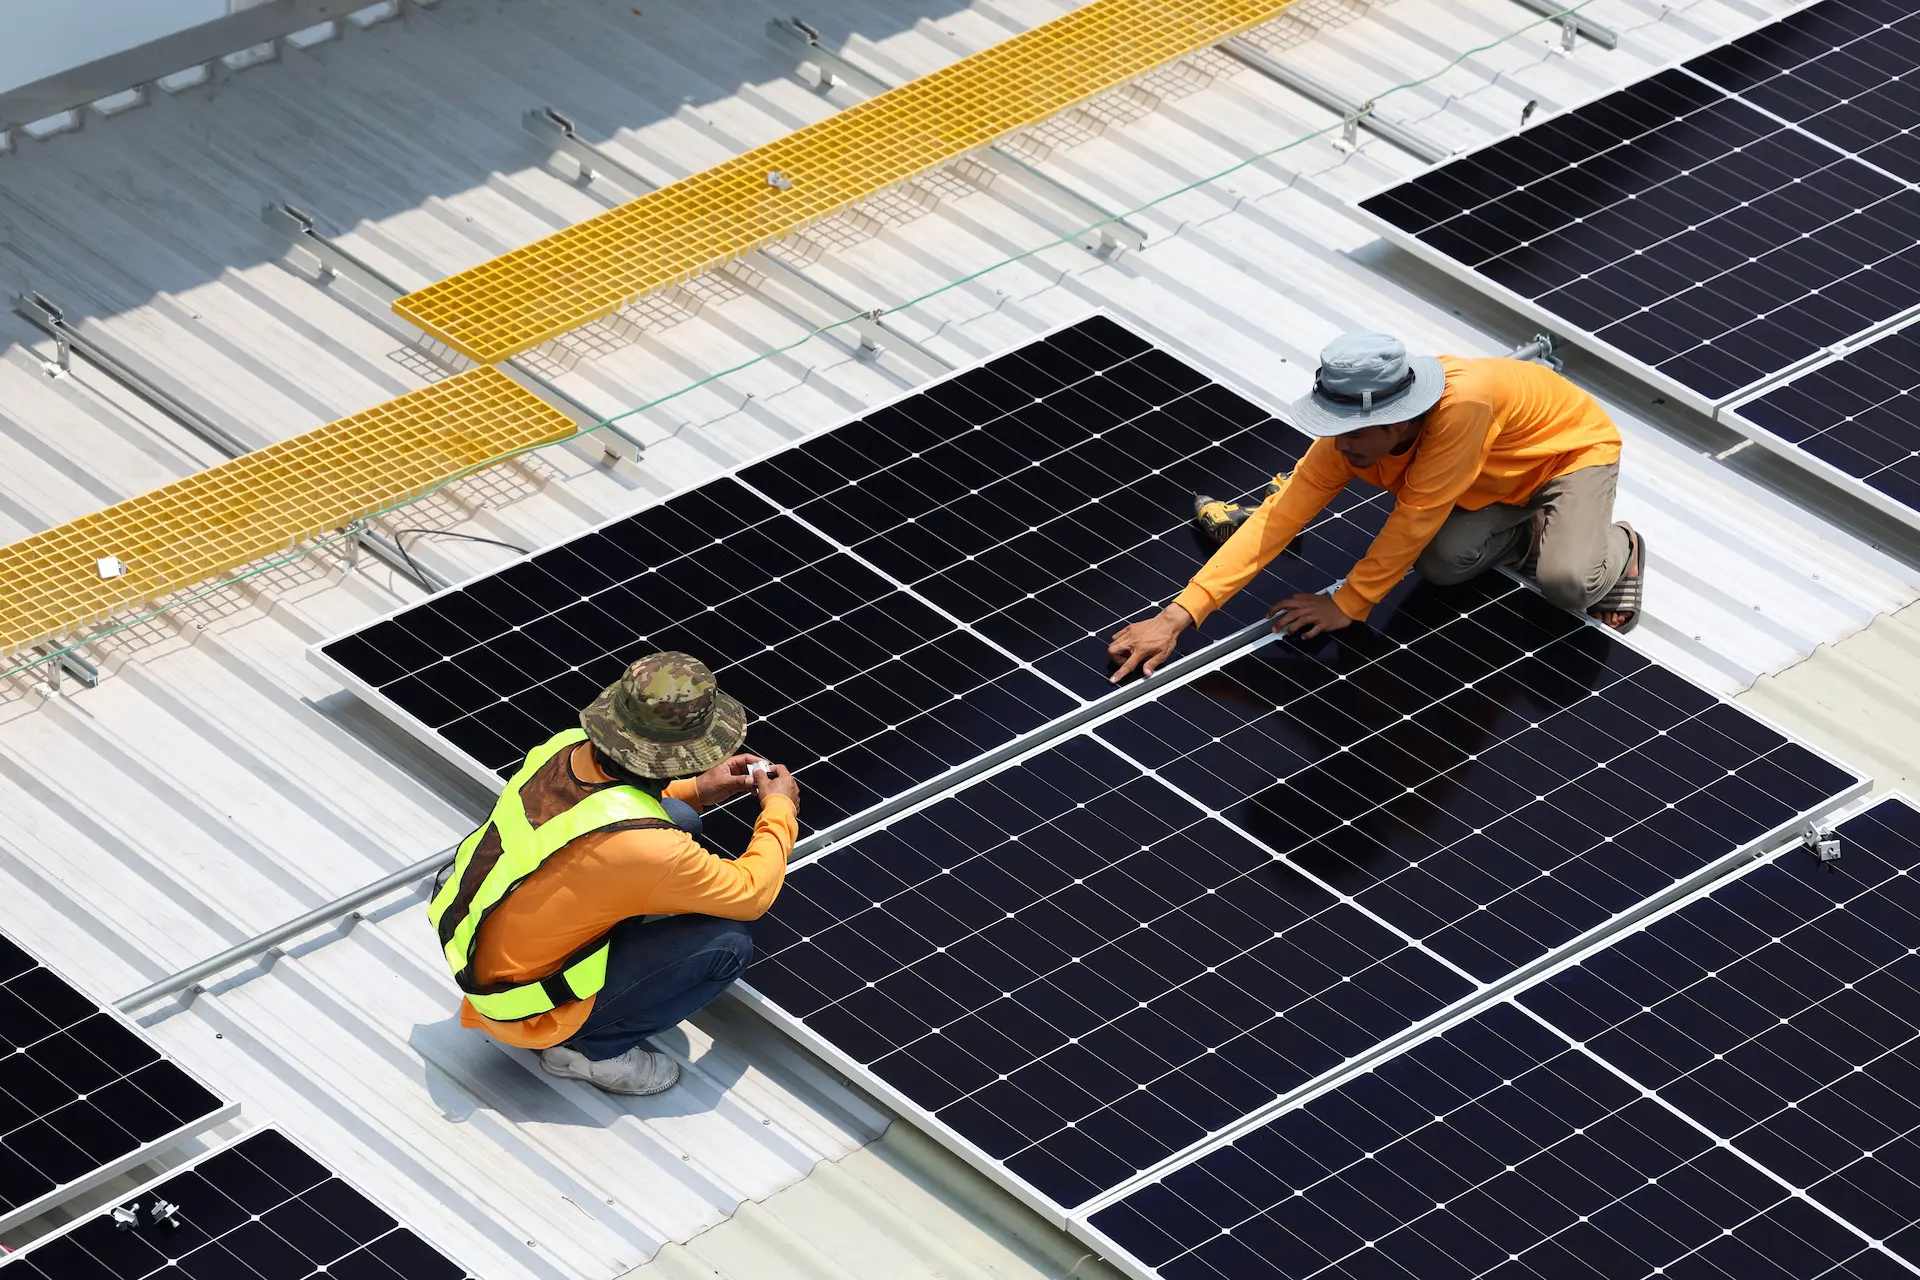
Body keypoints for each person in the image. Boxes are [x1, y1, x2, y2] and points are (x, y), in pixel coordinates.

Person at [1110, 331, 1644, 681]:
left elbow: (1415, 516)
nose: (1341, 448)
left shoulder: (1463, 410)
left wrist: (1349, 603)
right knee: (1441, 565)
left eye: (1354, 437)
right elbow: (1279, 519)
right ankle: (1538, 531)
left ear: (1402, 418)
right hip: (1488, 481)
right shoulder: (1349, 433)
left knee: (1567, 584)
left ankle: (1619, 546)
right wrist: (1177, 616)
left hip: (1564, 457)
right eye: (1333, 430)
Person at [428, 651, 799, 1096]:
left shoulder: (562, 747)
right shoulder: (646, 848)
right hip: (524, 1006)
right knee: (727, 945)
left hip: (478, 950)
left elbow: (597, 809)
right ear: (685, 753)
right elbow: (752, 894)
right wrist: (780, 808)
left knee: (678, 813)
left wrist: (698, 789)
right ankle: (587, 1051)